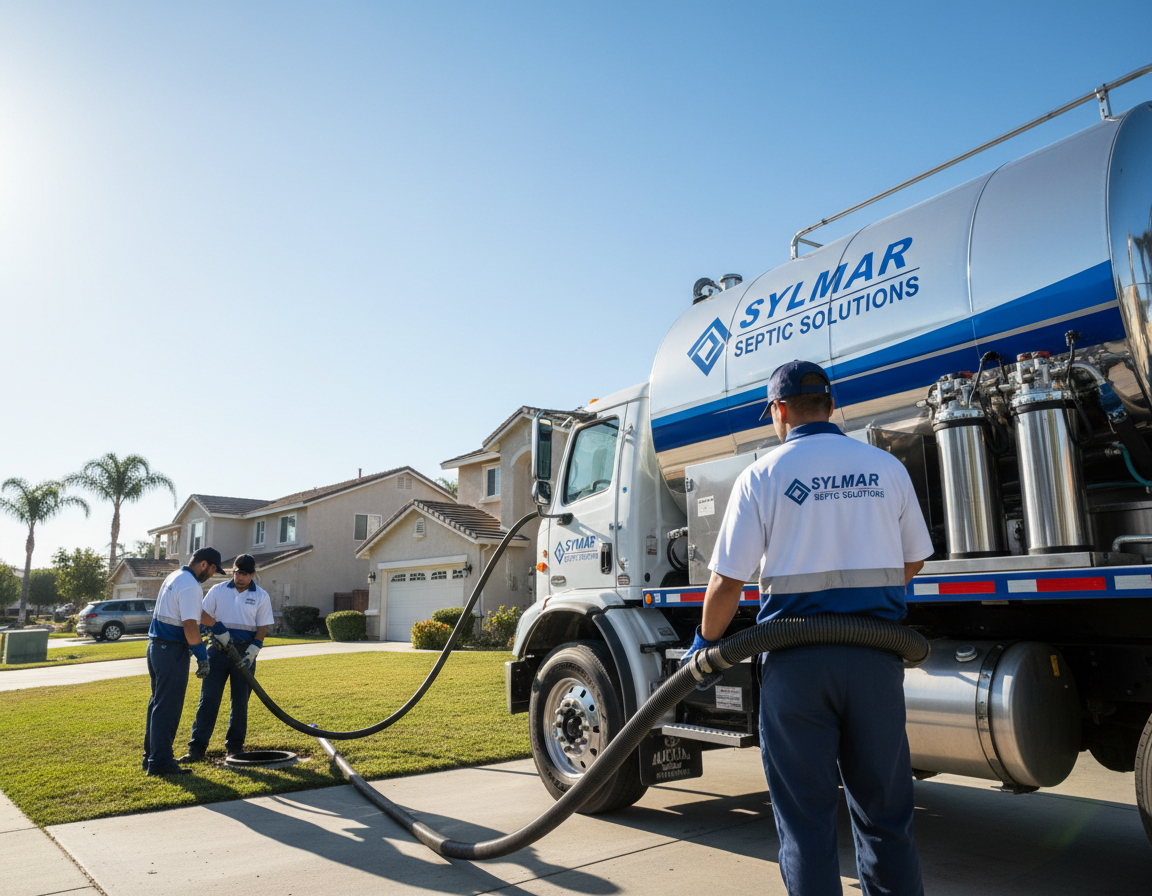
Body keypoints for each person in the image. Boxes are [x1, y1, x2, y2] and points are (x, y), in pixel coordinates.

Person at [683, 360, 934, 896]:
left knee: (805, 823)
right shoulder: (885, 467)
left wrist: (705, 646)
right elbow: (914, 558)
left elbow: (727, 581)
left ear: (779, 410)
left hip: (796, 668)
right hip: (875, 662)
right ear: (831, 404)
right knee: (887, 817)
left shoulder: (762, 475)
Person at [180, 554, 273, 762]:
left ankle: (234, 748)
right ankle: (196, 749)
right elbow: (202, 614)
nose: (240, 577)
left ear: (253, 575)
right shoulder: (218, 590)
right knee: (208, 700)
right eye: (237, 572)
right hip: (218, 651)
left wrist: (254, 648)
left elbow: (262, 626)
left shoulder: (261, 596)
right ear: (233, 571)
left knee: (240, 703)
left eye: (245, 574)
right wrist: (212, 631)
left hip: (244, 654)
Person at [143, 546, 224, 776]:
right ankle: (161, 763)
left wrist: (216, 625)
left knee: (158, 704)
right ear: (204, 564)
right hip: (171, 651)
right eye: (213, 570)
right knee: (168, 708)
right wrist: (202, 657)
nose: (211, 575)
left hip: (156, 648)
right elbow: (190, 625)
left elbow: (195, 614)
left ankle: (150, 758)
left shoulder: (176, 577)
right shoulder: (191, 585)